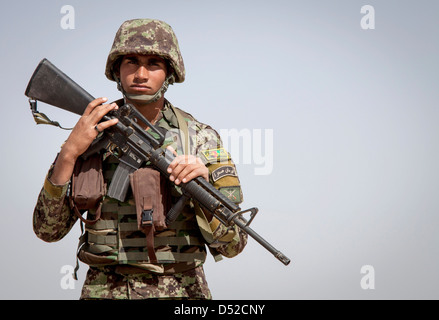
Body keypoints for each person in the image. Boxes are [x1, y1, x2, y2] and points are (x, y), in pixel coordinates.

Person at [33, 18, 247, 300]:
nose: (141, 74)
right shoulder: (90, 132)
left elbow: (234, 245)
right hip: (104, 289)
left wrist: (203, 192)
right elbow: (47, 231)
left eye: (154, 64)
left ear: (170, 73)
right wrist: (70, 152)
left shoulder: (203, 140)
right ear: (117, 70)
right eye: (131, 62)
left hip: (181, 291)